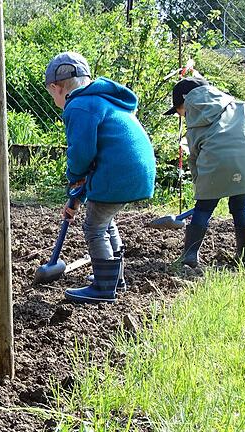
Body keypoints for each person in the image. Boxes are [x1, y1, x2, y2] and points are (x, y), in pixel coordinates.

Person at [44, 51, 156, 304]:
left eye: (51, 95)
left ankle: (104, 287)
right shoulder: (104, 100)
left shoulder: (79, 106)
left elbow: (82, 154)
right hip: (135, 172)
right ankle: (116, 280)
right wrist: (77, 195)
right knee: (105, 221)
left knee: (94, 226)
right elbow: (96, 157)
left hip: (117, 173)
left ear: (56, 87)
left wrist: (73, 178)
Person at [163, 77, 245, 267]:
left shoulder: (194, 120)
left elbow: (195, 157)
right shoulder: (240, 106)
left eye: (178, 110)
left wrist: (200, 184)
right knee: (241, 207)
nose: (180, 115)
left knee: (203, 209)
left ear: (184, 103)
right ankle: (244, 258)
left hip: (213, 163)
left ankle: (189, 256)